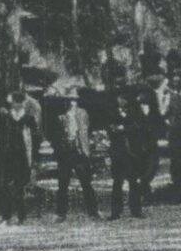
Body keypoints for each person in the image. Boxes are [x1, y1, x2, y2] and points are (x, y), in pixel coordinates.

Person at [51, 85, 102, 222]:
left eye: (74, 100)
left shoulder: (83, 113)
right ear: (65, 101)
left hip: (80, 152)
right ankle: (61, 213)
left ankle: (93, 211)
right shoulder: (60, 116)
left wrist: (87, 148)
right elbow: (55, 136)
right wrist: (60, 149)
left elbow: (87, 131)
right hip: (66, 152)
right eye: (69, 100)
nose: (72, 103)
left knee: (86, 183)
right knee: (63, 184)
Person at [0, 83, 41, 226]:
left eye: (17, 103)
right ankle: (6, 217)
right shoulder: (6, 118)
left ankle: (21, 216)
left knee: (20, 186)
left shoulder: (28, 119)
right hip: (8, 156)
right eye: (13, 103)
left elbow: (36, 139)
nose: (15, 105)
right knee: (6, 186)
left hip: (22, 156)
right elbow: (0, 137)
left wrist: (34, 158)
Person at [109, 83, 152, 220]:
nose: (120, 100)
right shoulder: (112, 111)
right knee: (117, 182)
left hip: (132, 151)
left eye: (123, 98)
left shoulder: (136, 111)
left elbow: (141, 127)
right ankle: (116, 211)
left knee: (133, 181)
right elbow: (108, 127)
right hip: (118, 151)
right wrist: (114, 129)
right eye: (119, 98)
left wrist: (124, 129)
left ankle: (136, 209)